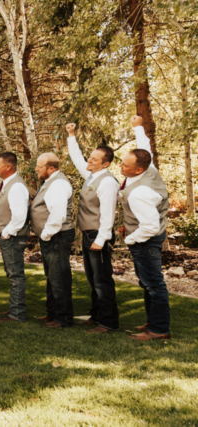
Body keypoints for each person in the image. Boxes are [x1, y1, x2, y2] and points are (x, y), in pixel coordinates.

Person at [119, 116, 171, 341]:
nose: (120, 166)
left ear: (139, 169)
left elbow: (149, 226)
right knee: (147, 283)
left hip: (145, 240)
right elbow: (144, 148)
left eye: (124, 165)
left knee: (153, 285)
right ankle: (153, 322)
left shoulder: (140, 193)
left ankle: (159, 330)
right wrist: (138, 127)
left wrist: (130, 239)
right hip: (148, 237)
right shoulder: (150, 168)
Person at [67, 123, 120, 333]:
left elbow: (108, 213)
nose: (89, 160)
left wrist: (100, 239)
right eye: (90, 157)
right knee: (92, 279)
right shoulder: (91, 176)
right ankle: (96, 316)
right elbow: (76, 158)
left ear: (105, 163)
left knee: (102, 280)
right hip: (89, 234)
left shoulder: (107, 182)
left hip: (98, 235)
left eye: (94, 159)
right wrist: (71, 135)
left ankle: (108, 323)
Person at [30, 153, 75, 328]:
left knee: (59, 278)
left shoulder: (58, 184)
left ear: (51, 168)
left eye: (39, 167)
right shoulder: (50, 182)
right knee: (51, 277)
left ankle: (63, 318)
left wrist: (45, 234)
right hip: (52, 235)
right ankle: (53, 313)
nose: (36, 169)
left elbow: (58, 214)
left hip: (57, 235)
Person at [0, 152, 31, 323]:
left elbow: (19, 217)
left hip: (13, 237)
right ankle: (14, 309)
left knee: (15, 275)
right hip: (9, 237)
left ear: (8, 166)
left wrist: (5, 233)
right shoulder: (7, 184)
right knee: (12, 274)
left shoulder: (16, 187)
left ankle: (17, 314)